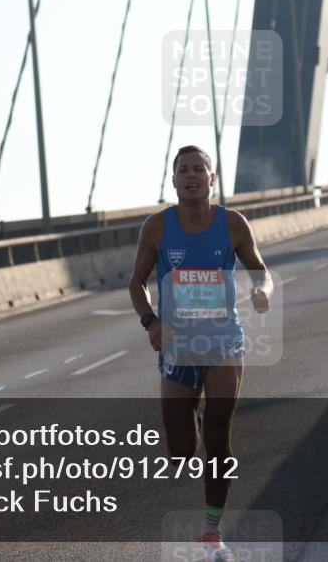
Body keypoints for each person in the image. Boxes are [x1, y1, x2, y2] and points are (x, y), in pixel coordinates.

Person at [128, 145, 273, 562]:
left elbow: (260, 269)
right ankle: (189, 415)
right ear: (173, 181)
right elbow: (136, 282)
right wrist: (151, 323)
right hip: (177, 347)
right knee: (180, 451)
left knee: (218, 435)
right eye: (183, 170)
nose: (191, 175)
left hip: (224, 342)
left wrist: (262, 289)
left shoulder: (233, 224)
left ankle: (212, 531)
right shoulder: (156, 228)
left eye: (199, 169)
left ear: (212, 179)